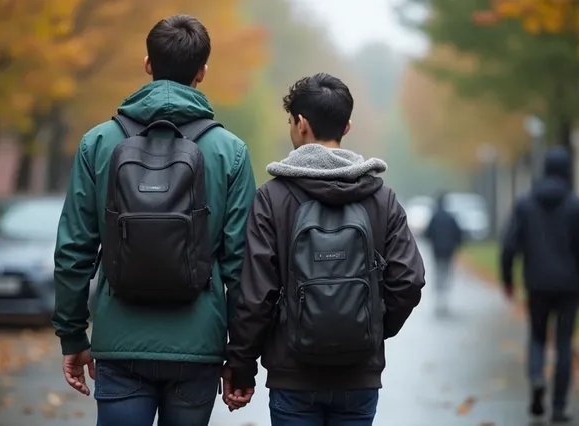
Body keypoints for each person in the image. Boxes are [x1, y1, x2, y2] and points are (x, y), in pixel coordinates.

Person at [52, 15, 256, 426]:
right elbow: (242, 265)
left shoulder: (98, 143)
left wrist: (73, 334)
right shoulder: (229, 152)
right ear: (202, 71)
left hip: (120, 341)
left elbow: (75, 249)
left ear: (148, 64)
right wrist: (241, 356)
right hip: (197, 344)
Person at [223, 73, 426, 425]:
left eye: (290, 121)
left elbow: (256, 294)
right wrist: (368, 326)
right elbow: (409, 280)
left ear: (301, 124)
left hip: (293, 376)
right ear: (346, 127)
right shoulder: (381, 198)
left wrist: (241, 366)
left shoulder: (273, 198)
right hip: (358, 376)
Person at [501, 147, 579, 424]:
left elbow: (509, 246)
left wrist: (508, 280)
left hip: (537, 284)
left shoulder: (525, 204)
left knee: (538, 338)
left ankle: (537, 377)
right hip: (569, 287)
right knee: (564, 344)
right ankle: (559, 406)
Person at [425, 191, 463, 315]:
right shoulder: (451, 217)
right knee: (446, 272)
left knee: (438, 272)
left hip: (437, 250)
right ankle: (445, 296)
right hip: (449, 250)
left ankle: (439, 295)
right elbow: (458, 233)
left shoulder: (434, 217)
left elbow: (428, 233)